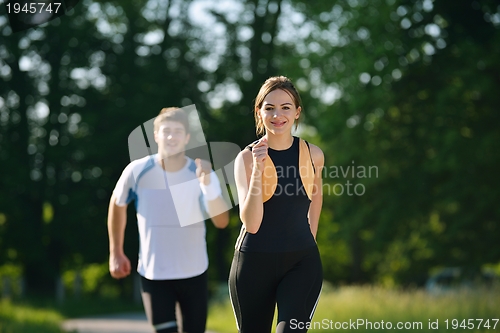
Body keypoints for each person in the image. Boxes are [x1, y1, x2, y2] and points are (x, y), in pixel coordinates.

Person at [107, 107, 229, 333]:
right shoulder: (137, 171)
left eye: (177, 131)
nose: (171, 136)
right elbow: (117, 204)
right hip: (154, 274)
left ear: (187, 137)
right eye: (166, 131)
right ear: (156, 135)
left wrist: (209, 186)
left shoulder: (200, 171)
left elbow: (221, 222)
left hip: (194, 272)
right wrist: (116, 251)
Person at [229, 76, 324, 333]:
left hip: (301, 263)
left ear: (297, 112)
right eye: (269, 107)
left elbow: (315, 197)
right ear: (259, 112)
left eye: (285, 107)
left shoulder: (313, 154)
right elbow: (251, 223)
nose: (277, 115)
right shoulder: (246, 159)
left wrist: (309, 240)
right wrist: (259, 169)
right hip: (253, 265)